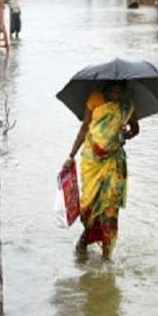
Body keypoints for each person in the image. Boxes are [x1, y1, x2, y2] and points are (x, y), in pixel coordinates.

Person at [64, 82, 140, 259]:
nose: (115, 95)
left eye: (119, 92)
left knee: (110, 207)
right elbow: (84, 129)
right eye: (112, 92)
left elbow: (135, 129)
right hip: (92, 161)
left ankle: (107, 253)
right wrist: (71, 155)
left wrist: (125, 133)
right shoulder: (95, 99)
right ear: (105, 89)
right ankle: (86, 237)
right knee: (88, 205)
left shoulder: (126, 106)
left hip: (114, 162)